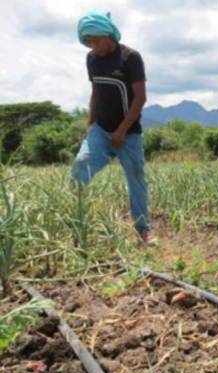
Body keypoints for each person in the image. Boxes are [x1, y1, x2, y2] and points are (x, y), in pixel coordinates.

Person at [70, 11, 156, 244]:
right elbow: (96, 92)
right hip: (101, 128)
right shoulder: (92, 59)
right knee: (80, 165)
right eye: (88, 41)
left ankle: (143, 229)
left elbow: (140, 98)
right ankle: (74, 220)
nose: (93, 45)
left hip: (128, 133)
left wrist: (121, 131)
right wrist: (90, 125)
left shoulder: (130, 58)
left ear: (108, 35)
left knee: (136, 178)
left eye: (96, 40)